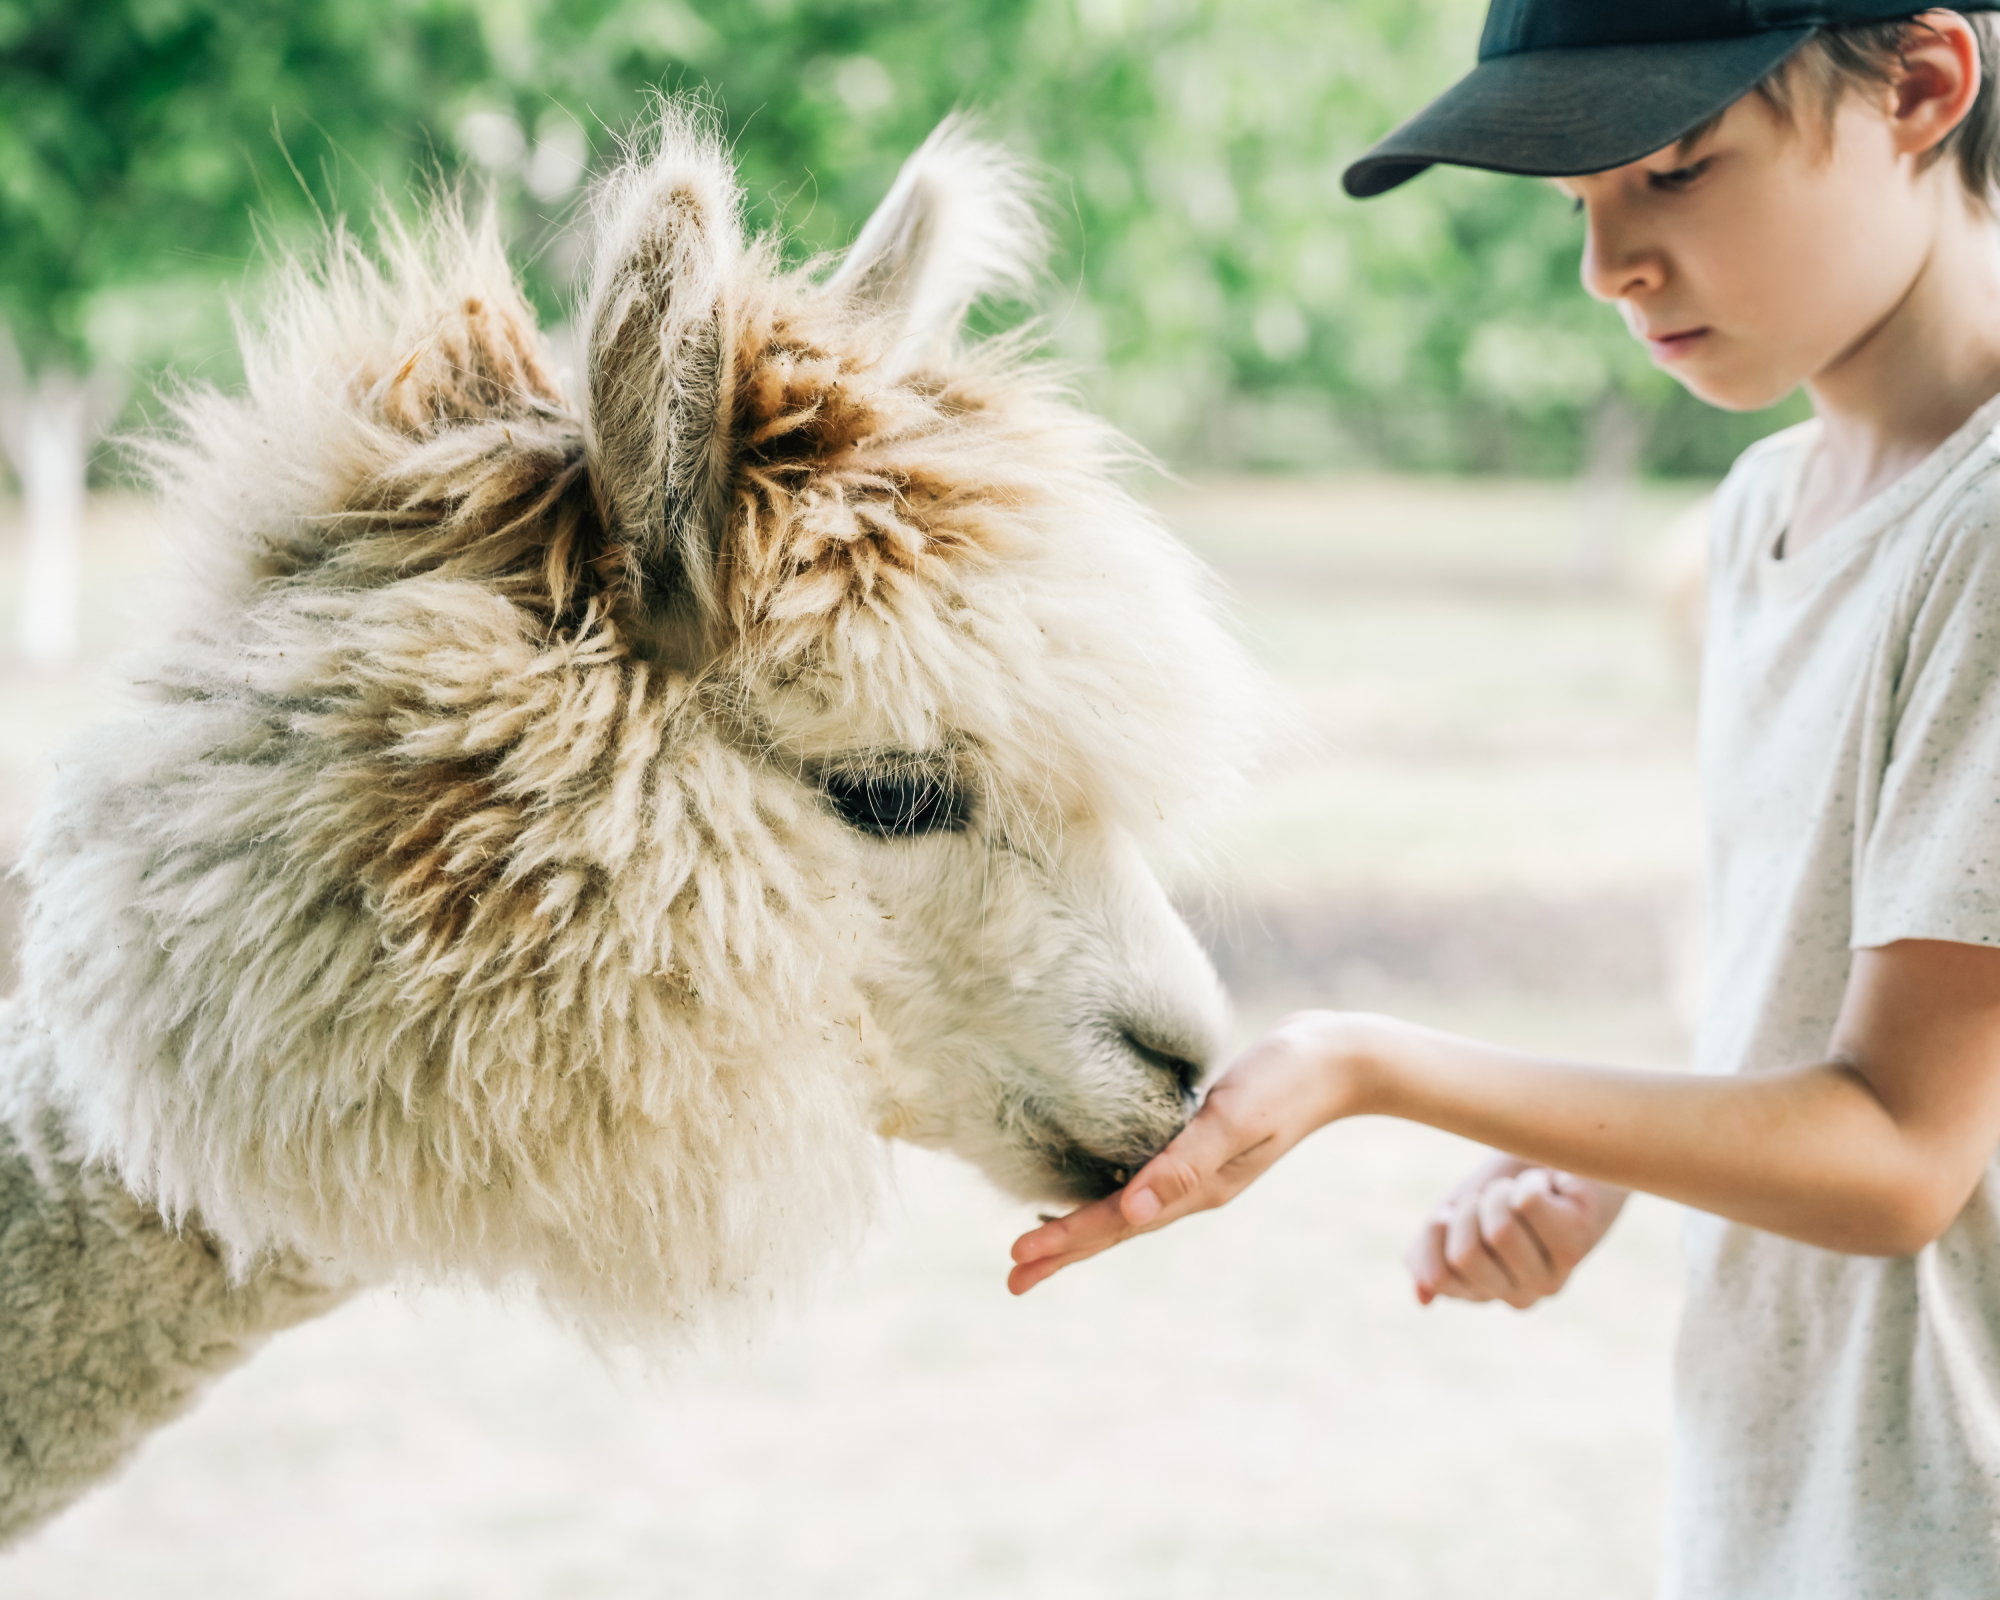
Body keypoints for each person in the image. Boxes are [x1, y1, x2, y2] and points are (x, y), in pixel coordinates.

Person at [1008, 4, 2000, 1593]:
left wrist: (1371, 1062)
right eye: (1574, 205)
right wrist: (1621, 1154)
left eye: (1673, 173)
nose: (1610, 265)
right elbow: (1842, 1027)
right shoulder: (1764, 524)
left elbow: (1899, 1155)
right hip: (1787, 1524)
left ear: (1923, 86)